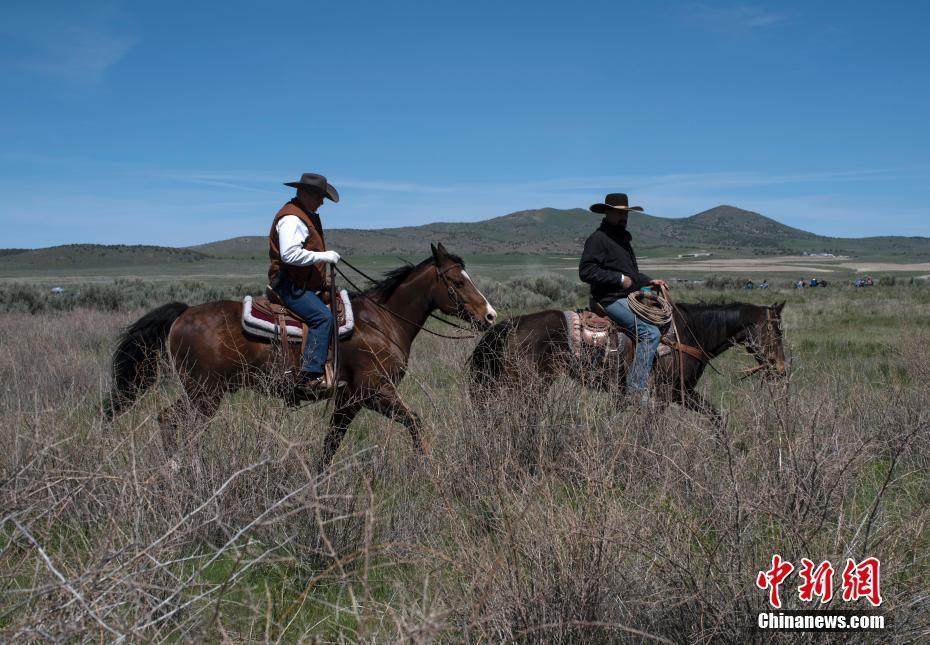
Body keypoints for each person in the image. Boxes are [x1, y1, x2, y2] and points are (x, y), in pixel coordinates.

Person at [579, 193, 667, 403]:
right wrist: (619, 280)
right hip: (608, 299)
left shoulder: (622, 239)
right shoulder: (598, 239)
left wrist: (649, 281)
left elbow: (631, 275)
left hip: (622, 295)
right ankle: (635, 389)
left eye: (625, 213)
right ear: (607, 212)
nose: (623, 217)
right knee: (650, 334)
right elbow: (585, 271)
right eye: (619, 213)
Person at [268, 173, 342, 394]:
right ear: (306, 194)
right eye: (319, 197)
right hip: (289, 285)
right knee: (322, 318)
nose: (321, 202)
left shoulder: (305, 214)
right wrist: (323, 257)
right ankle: (310, 377)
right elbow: (290, 255)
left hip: (301, 283)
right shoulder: (292, 218)